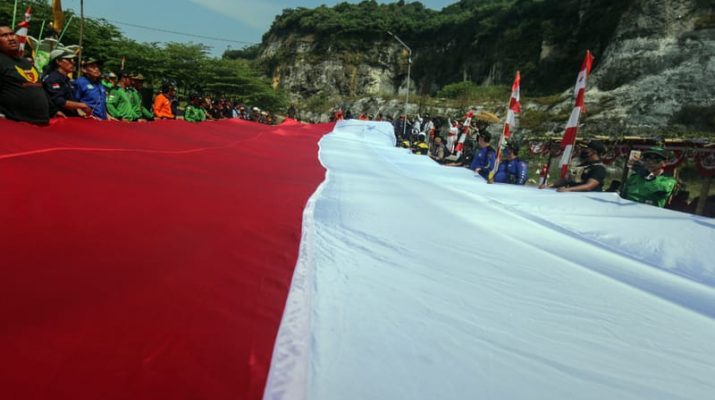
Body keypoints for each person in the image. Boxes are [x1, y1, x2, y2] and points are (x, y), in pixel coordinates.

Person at [0, 23, 53, 124]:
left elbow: (39, 88)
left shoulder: (26, 62)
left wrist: (54, 110)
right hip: (15, 126)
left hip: (41, 124)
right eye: (4, 36)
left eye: (12, 34)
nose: (11, 38)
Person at [541, 140, 607, 192]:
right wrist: (549, 186)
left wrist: (569, 189)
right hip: (573, 196)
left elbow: (589, 186)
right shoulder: (582, 165)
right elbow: (566, 180)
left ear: (594, 152)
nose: (582, 150)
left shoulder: (599, 168)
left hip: (588, 199)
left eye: (586, 149)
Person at [42, 48, 91, 117]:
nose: (73, 62)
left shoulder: (66, 79)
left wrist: (77, 110)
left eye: (73, 60)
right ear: (58, 61)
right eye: (69, 60)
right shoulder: (52, 79)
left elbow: (69, 99)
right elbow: (59, 101)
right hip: (58, 120)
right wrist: (82, 106)